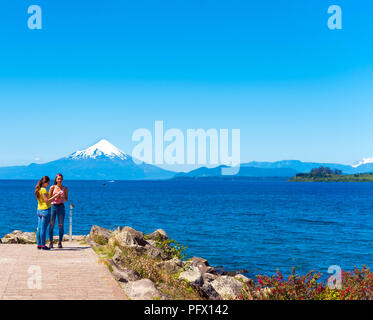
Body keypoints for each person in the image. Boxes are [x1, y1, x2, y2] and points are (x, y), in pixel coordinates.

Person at [35, 176, 63, 250]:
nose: (49, 184)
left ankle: (39, 245)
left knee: (39, 228)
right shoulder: (43, 190)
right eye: (48, 182)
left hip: (39, 210)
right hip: (45, 210)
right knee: (43, 229)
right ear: (45, 182)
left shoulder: (39, 189)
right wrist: (55, 196)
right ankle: (43, 245)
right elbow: (46, 201)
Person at [49, 173, 68, 248]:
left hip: (61, 207)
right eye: (58, 179)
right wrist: (55, 196)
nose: (59, 180)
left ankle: (60, 242)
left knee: (61, 225)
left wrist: (62, 197)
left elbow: (66, 200)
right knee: (51, 224)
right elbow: (49, 199)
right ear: (56, 180)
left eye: (61, 179)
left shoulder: (65, 188)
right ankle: (51, 242)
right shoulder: (52, 187)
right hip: (53, 206)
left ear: (62, 179)